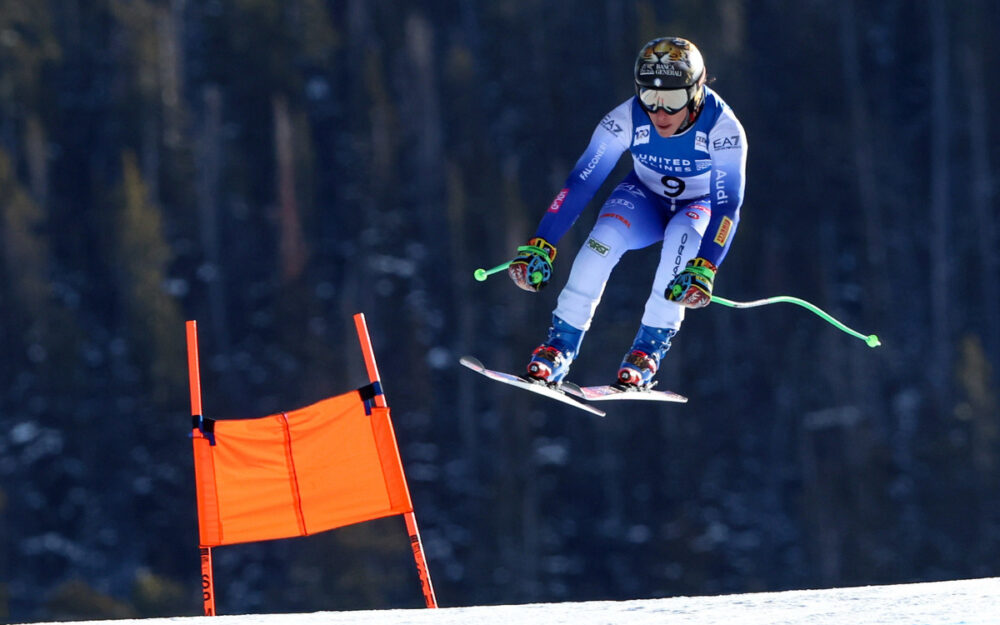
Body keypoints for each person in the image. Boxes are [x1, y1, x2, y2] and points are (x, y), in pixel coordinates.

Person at [508, 36, 748, 389]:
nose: (660, 113)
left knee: (681, 248)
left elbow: (727, 205)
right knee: (601, 240)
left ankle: (646, 351)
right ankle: (559, 346)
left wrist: (707, 264)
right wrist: (542, 243)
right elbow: (581, 183)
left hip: (697, 207)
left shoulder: (723, 129)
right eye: (649, 97)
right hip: (644, 198)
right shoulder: (624, 119)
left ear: (696, 91)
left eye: (673, 99)